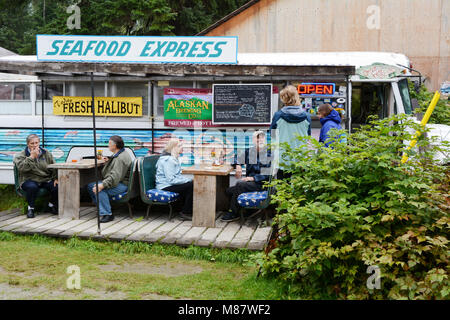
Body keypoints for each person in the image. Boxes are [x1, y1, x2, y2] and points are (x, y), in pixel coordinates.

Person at [221, 131, 272, 222]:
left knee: (240, 185)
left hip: (261, 184)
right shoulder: (250, 151)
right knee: (228, 191)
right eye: (257, 138)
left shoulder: (268, 153)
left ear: (264, 140)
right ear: (253, 140)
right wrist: (238, 165)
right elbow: (236, 158)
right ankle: (247, 211)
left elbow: (267, 174)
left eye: (261, 138)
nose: (259, 140)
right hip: (250, 183)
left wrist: (252, 178)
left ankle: (233, 213)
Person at [87, 135, 132, 223]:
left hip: (122, 184)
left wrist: (102, 185)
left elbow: (114, 177)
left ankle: (108, 214)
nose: (108, 145)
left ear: (114, 146)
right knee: (90, 186)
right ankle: (102, 208)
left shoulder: (120, 158)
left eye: (109, 143)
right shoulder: (121, 153)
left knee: (99, 189)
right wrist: (109, 160)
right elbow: (116, 166)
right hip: (120, 182)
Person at [270, 85, 311, 178]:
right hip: (301, 159)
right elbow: (308, 137)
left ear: (283, 99)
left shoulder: (278, 116)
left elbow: (272, 135)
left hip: (283, 159)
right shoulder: (306, 116)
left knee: (283, 189)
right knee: (299, 189)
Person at [13, 134, 58, 218]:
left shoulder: (46, 153)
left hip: (44, 179)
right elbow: (23, 168)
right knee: (32, 187)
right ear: (27, 144)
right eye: (32, 143)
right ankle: (31, 208)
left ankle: (51, 205)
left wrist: (56, 178)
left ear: (39, 143)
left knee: (57, 186)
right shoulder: (20, 155)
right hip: (28, 179)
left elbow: (53, 166)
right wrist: (32, 157)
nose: (34, 145)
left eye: (36, 143)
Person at [155, 138, 193, 221]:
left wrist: (188, 180)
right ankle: (185, 212)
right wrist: (188, 180)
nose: (182, 147)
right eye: (179, 146)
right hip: (165, 186)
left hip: (168, 184)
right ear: (173, 148)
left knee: (190, 184)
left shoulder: (173, 158)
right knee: (191, 186)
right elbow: (171, 180)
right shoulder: (168, 160)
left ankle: (185, 209)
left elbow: (177, 176)